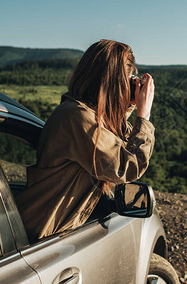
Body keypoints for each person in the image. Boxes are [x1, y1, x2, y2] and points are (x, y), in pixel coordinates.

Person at [16, 39, 155, 241]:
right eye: (128, 79)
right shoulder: (77, 118)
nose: (131, 84)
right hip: (39, 234)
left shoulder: (81, 114)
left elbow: (116, 140)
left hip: (44, 231)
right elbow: (125, 166)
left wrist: (126, 105)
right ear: (112, 82)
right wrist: (144, 117)